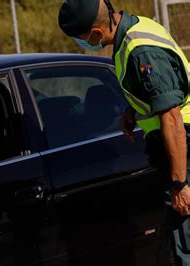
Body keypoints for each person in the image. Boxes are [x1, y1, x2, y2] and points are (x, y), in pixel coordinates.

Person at [58, 0, 190, 264]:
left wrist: (180, 183)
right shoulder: (134, 28)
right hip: (177, 143)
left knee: (186, 242)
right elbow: (158, 91)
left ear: (95, 34)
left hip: (183, 145)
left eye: (81, 39)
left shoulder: (140, 50)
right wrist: (134, 111)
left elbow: (172, 116)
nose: (83, 44)